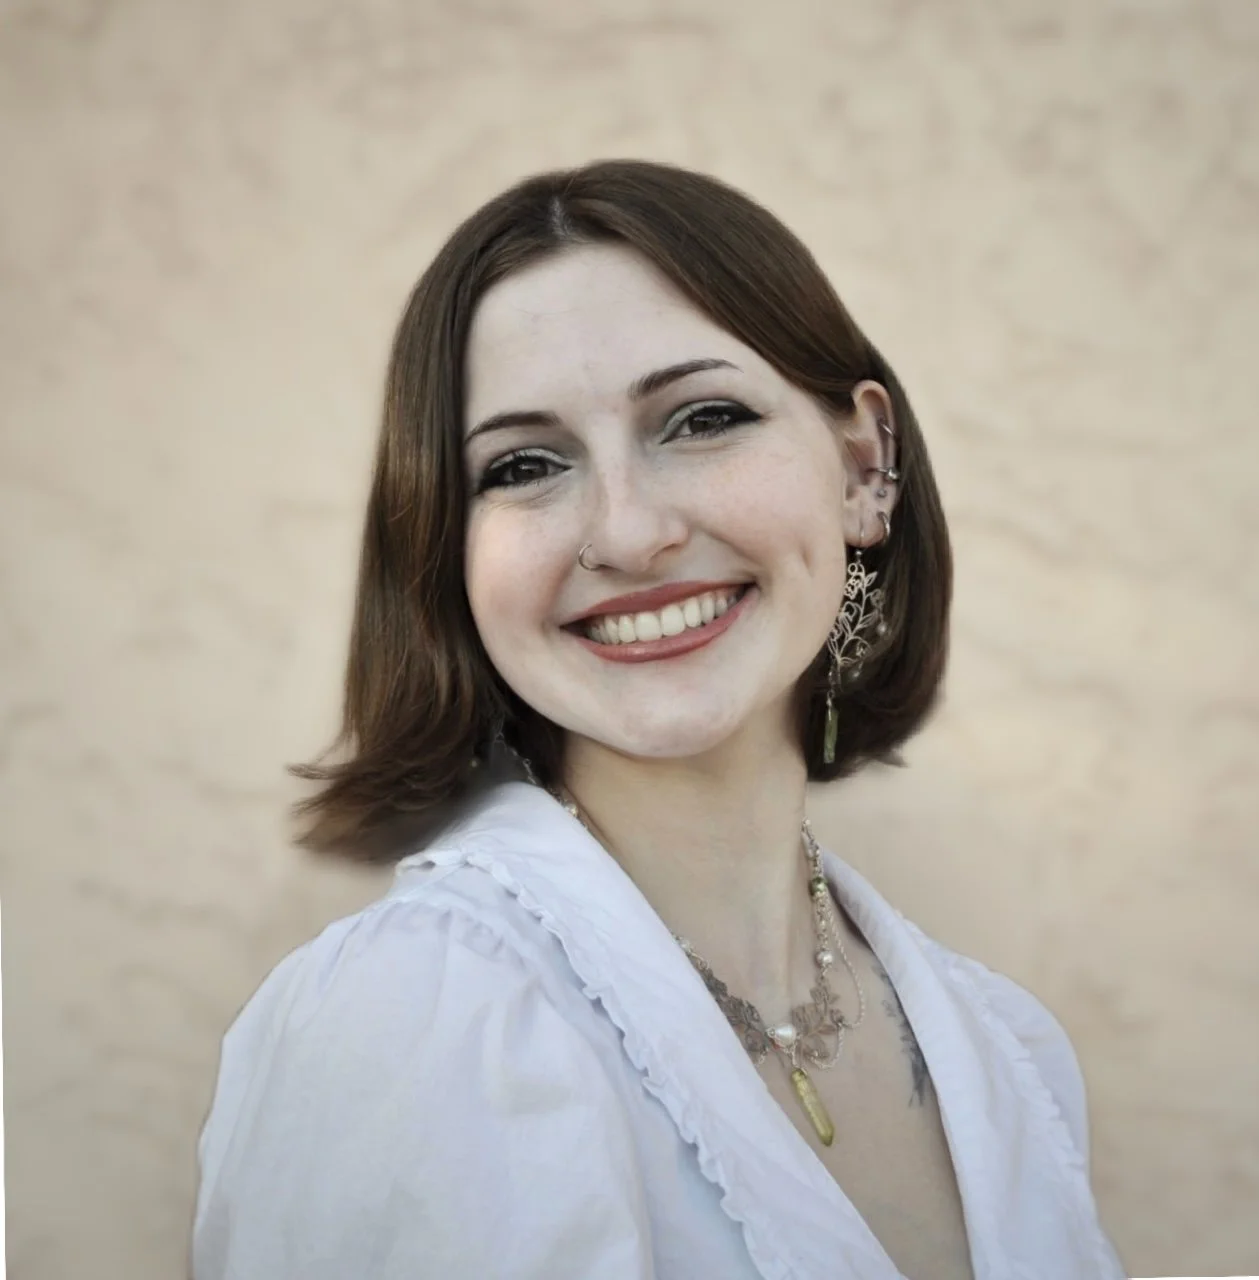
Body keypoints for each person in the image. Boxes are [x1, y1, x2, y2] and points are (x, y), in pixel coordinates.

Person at [191, 160, 1126, 1279]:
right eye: (525, 464)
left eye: (700, 417)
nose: (628, 534)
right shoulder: (410, 1022)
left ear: (862, 466)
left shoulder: (1008, 1050)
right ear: (448, 547)